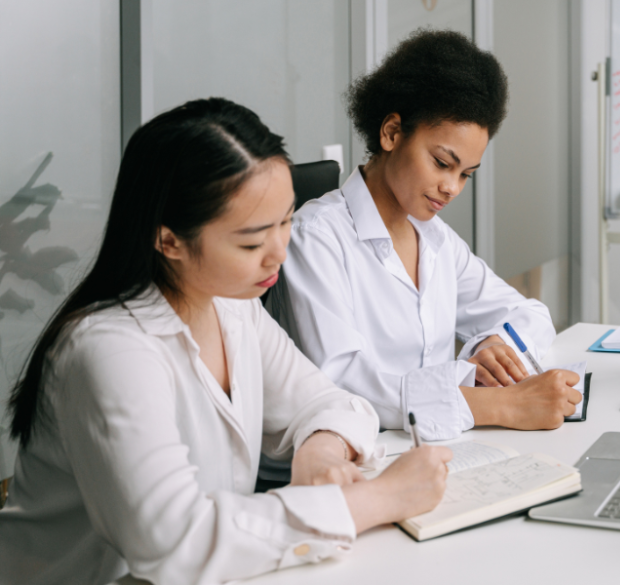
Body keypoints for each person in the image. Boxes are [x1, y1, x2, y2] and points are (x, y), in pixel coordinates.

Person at [0, 98, 452, 585]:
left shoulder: (230, 306)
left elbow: (328, 400)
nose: (279, 253)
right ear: (168, 240)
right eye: (252, 242)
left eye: (286, 221)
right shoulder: (109, 349)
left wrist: (321, 452)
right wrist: (374, 500)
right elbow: (174, 542)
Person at [267, 30, 581, 443]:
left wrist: (489, 348)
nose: (452, 187)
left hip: (434, 445)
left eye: (465, 174)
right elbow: (342, 382)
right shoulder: (316, 236)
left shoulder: (434, 239)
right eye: (441, 163)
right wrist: (497, 403)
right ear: (392, 133)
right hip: (349, 460)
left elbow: (531, 316)